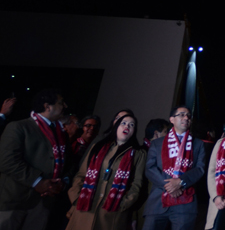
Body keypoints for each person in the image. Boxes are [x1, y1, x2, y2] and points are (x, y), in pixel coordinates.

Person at [0, 89, 68, 230]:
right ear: (47, 106)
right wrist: (38, 181)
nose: (65, 106)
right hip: (15, 201)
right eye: (61, 103)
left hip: (43, 202)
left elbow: (64, 163)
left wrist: (61, 182)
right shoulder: (19, 127)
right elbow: (7, 161)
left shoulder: (60, 133)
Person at [66, 114, 146, 230]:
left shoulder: (138, 154)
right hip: (85, 207)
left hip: (112, 213)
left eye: (131, 125)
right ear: (116, 126)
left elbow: (137, 184)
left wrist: (123, 203)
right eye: (123, 123)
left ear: (134, 131)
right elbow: (81, 174)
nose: (127, 126)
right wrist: (75, 196)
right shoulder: (98, 146)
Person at [143, 105, 205, 230]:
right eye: (181, 114)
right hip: (158, 201)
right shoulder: (157, 143)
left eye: (188, 116)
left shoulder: (198, 144)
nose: (186, 118)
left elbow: (200, 169)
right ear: (172, 119)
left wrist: (180, 182)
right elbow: (150, 168)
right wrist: (169, 186)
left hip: (185, 202)